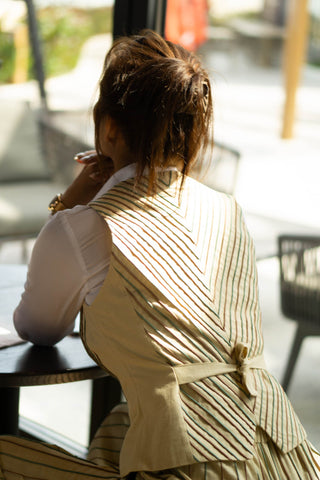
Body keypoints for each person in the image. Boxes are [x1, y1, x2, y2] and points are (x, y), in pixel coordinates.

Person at [0, 30, 319, 480]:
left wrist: (67, 205)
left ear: (108, 127)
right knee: (121, 424)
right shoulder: (227, 210)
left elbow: (37, 326)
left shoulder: (86, 226)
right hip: (287, 453)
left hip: (197, 470)